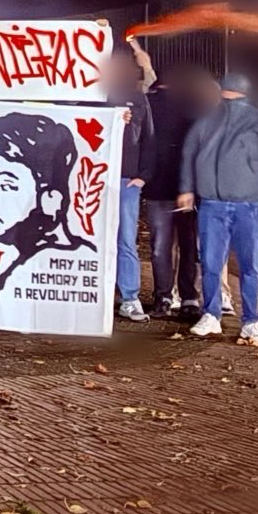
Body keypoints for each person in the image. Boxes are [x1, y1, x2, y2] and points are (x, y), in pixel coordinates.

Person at [178, 71, 258, 346]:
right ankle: (248, 321)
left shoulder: (207, 121)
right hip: (244, 205)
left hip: (220, 205)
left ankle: (218, 316)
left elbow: (188, 154)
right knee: (246, 265)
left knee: (213, 263)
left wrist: (187, 189)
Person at [0, 109, 95, 298]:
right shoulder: (14, 262)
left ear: (50, 196)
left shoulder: (60, 261)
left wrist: (119, 118)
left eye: (7, 185)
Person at [144, 63, 209, 318]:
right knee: (188, 245)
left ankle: (163, 296)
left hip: (157, 186)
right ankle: (189, 298)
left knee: (161, 246)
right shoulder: (195, 106)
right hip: (189, 188)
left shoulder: (146, 104)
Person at [105, 47, 157, 322]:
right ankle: (96, 294)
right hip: (95, 179)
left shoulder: (137, 99)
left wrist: (143, 176)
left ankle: (129, 297)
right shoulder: (93, 97)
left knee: (125, 239)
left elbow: (149, 139)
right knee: (94, 239)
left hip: (126, 182)